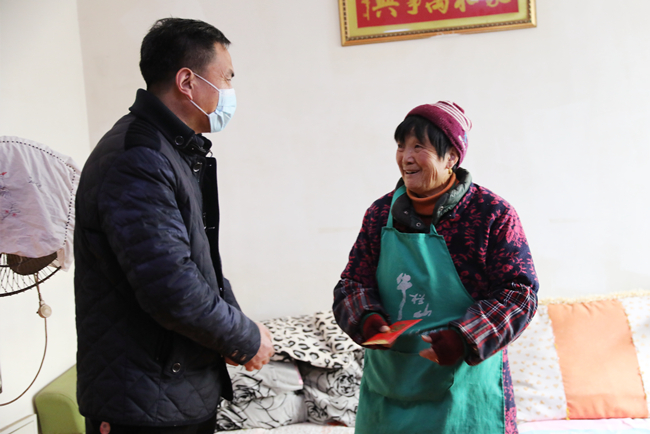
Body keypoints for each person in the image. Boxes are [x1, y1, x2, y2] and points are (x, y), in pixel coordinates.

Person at [74, 18, 274, 434]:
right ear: (187, 82)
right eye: (226, 77)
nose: (230, 90)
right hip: (143, 404)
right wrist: (243, 337)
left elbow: (200, 265)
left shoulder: (171, 152)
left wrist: (236, 326)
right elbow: (170, 286)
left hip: (170, 392)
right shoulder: (139, 157)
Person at [333, 101, 538, 434]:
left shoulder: (491, 215)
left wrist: (464, 338)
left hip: (465, 396)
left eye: (419, 147)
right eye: (401, 146)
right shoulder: (380, 214)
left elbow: (519, 295)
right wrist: (367, 319)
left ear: (452, 157)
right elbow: (352, 284)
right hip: (390, 388)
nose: (406, 157)